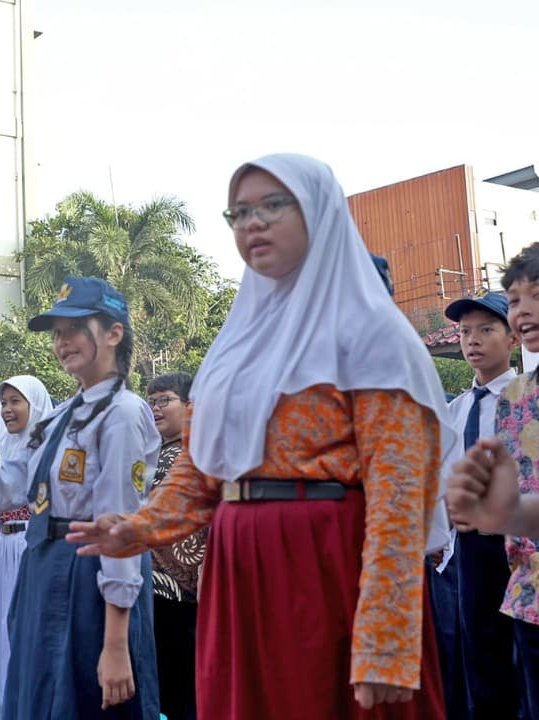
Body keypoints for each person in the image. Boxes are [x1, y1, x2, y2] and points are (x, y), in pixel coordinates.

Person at [66, 155, 452, 719]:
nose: (253, 223)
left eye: (273, 205)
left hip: (326, 563)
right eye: (240, 212)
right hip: (237, 567)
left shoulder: (371, 333)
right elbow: (202, 470)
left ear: (320, 213)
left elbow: (399, 495)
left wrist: (386, 635)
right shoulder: (236, 343)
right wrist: (138, 528)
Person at [0, 281, 162, 718]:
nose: (62, 342)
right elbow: (2, 490)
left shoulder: (122, 412)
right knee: (39, 697)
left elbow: (121, 528)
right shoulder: (59, 416)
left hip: (92, 575)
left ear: (114, 333)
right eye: (57, 332)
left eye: (75, 328)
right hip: (44, 567)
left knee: (88, 698)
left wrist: (117, 642)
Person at [445, 241, 539, 719]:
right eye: (513, 301)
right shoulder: (515, 398)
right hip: (533, 592)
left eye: (538, 295)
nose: (523, 311)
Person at [438, 292, 521, 720]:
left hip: (521, 546)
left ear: (512, 339)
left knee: (526, 655)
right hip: (470, 549)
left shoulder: (528, 402)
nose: (473, 340)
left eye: (486, 330)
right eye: (465, 331)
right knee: (480, 658)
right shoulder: (455, 410)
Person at [0, 374, 53, 703]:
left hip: (33, 547)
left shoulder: (47, 451)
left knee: (29, 634)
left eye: (15, 402)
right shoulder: (4, 446)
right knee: (1, 635)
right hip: (4, 554)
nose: (7, 410)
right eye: (4, 403)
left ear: (35, 405)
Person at [144, 371, 205, 720]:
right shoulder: (154, 453)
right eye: (152, 401)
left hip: (186, 593)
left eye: (164, 400)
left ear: (190, 405)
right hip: (152, 588)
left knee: (185, 691)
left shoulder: (198, 452)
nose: (155, 408)